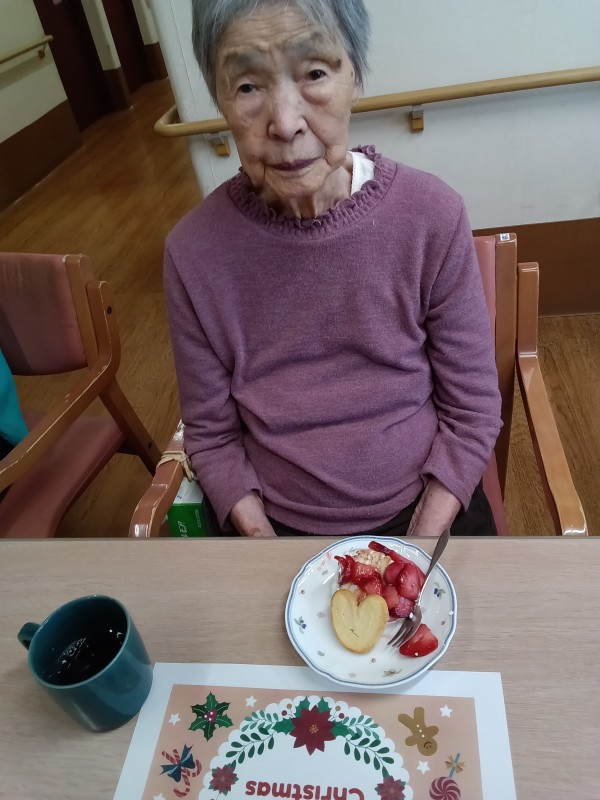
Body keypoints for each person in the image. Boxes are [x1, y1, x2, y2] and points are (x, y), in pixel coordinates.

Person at [164, 0, 502, 538]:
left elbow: (473, 410)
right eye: (248, 86)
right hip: (273, 524)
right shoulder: (193, 252)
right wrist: (265, 548)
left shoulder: (431, 215)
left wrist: (413, 550)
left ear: (355, 78)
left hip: (426, 506)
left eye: (315, 74)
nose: (285, 123)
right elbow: (212, 436)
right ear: (220, 100)